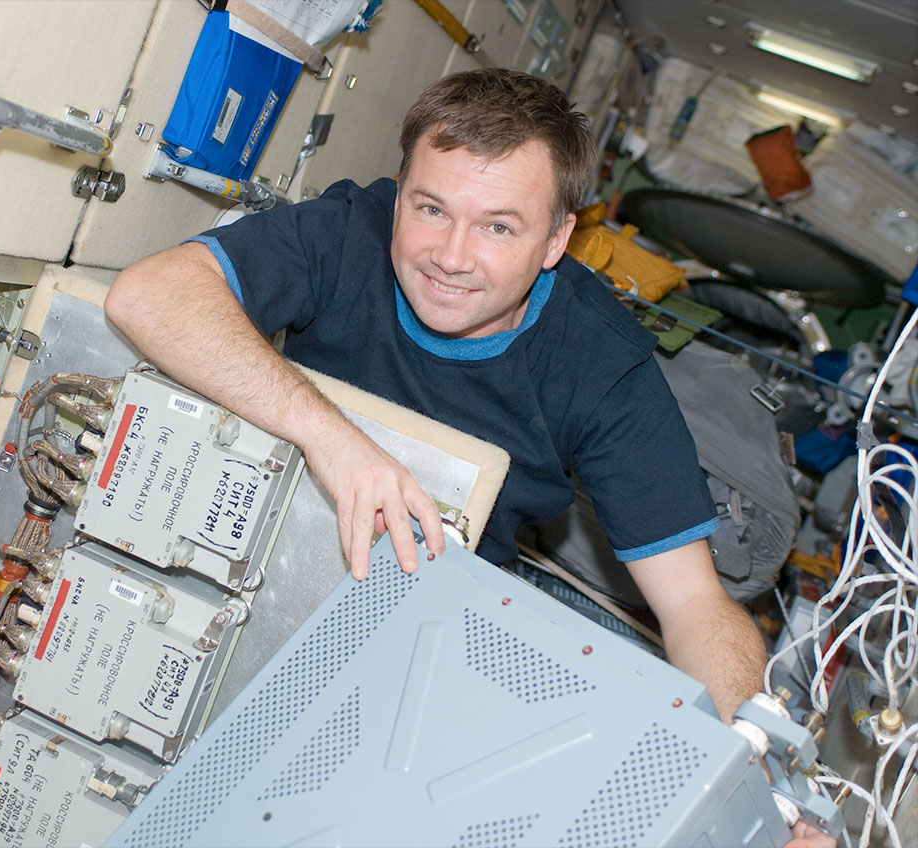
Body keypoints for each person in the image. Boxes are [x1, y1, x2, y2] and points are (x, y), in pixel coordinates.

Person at [107, 66, 830, 848]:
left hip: (423, 646)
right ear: (402, 189)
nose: (450, 256)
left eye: (498, 227)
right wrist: (333, 437)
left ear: (557, 239)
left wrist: (750, 779)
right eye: (430, 209)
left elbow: (694, 606)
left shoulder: (603, 365)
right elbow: (147, 294)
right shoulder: (351, 229)